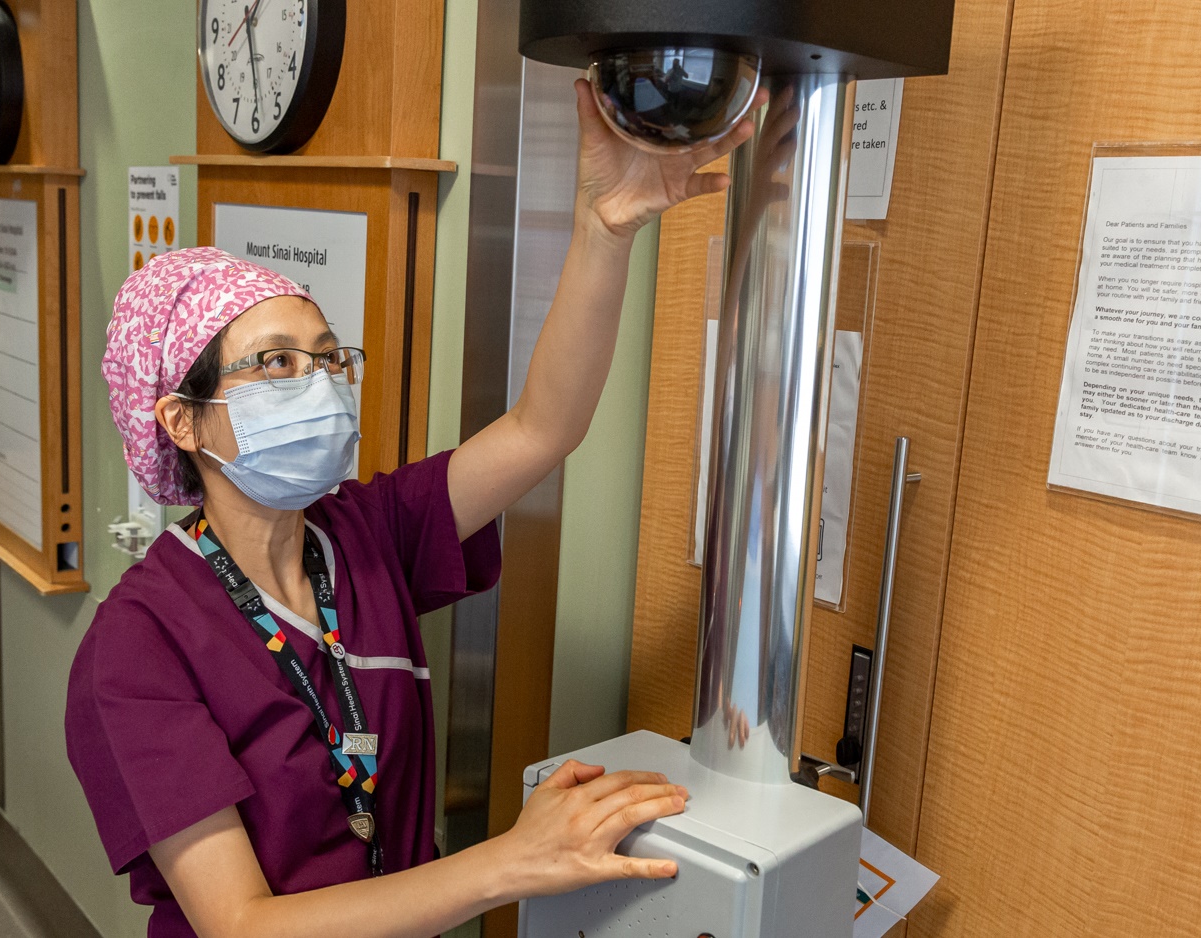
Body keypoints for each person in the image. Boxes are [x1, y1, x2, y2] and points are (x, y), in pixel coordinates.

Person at [66, 78, 756, 938]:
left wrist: (603, 228)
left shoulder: (360, 534)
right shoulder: (137, 646)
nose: (316, 385)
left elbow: (546, 426)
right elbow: (240, 925)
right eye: (275, 365)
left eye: (325, 359)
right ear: (180, 418)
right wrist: (507, 862)